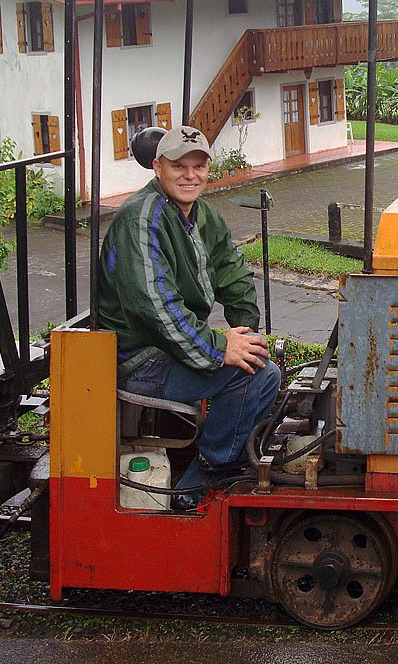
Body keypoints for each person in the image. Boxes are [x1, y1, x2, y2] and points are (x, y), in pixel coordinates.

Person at [98, 125, 281, 510]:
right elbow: (154, 308)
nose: (189, 175)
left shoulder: (203, 215)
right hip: (139, 359)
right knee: (258, 375)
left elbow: (233, 273)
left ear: (208, 170)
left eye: (198, 167)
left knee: (256, 362)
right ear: (157, 167)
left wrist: (246, 332)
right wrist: (219, 349)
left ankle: (227, 458)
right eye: (178, 166)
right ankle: (202, 482)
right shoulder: (140, 218)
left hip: (169, 349)